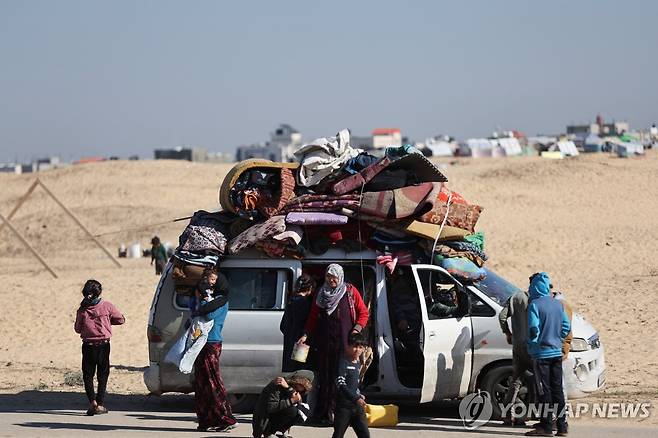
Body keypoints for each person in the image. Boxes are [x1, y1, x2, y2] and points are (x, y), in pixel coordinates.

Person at [297, 264, 369, 424]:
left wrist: (356, 330)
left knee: (341, 378)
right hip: (324, 345)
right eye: (328, 276)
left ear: (340, 277)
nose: (331, 280)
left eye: (334, 276)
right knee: (325, 378)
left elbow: (364, 313)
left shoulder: (350, 292)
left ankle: (339, 414)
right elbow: (313, 317)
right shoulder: (321, 293)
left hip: (345, 344)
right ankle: (324, 414)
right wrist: (306, 334)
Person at [525, 272, 571, 437]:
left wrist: (533, 342)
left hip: (541, 354)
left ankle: (545, 426)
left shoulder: (535, 305)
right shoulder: (558, 304)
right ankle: (562, 426)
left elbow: (533, 328)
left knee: (544, 391)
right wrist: (556, 338)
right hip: (556, 353)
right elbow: (566, 327)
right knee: (557, 389)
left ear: (534, 287)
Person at [192, 271, 237, 432]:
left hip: (212, 343)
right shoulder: (212, 299)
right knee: (201, 383)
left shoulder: (220, 301)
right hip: (202, 342)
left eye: (214, 281)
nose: (210, 284)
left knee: (212, 382)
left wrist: (204, 299)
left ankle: (226, 418)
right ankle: (206, 420)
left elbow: (209, 314)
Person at [74, 279, 125, 416]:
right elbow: (120, 319)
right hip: (103, 345)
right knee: (103, 375)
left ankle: (92, 403)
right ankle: (100, 404)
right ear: (99, 292)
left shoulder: (82, 310)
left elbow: (78, 329)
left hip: (88, 346)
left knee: (88, 375)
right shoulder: (107, 306)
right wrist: (108, 321)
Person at [498, 278, 533, 427]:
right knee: (535, 381)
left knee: (515, 382)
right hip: (533, 347)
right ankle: (528, 415)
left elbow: (502, 316)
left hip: (518, 346)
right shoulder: (539, 300)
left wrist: (508, 333)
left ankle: (507, 416)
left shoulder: (516, 297)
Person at [252, 370, 314, 438]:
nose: (296, 392)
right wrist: (292, 400)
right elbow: (271, 407)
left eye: (299, 391)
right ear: (294, 382)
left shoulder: (289, 388)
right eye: (296, 388)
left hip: (273, 417)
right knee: (292, 410)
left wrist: (289, 389)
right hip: (264, 421)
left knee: (302, 410)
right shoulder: (277, 384)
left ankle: (281, 431)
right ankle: (269, 432)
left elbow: (298, 402)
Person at [332, 332, 370, 438]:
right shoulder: (343, 363)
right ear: (348, 346)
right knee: (338, 434)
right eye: (354, 346)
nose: (357, 350)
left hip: (357, 408)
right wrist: (355, 398)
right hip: (344, 408)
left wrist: (359, 394)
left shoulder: (357, 363)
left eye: (360, 347)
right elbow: (341, 384)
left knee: (365, 434)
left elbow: (354, 384)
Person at [280, 274, 316, 372]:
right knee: (299, 374)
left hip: (289, 343)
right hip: (301, 344)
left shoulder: (291, 301)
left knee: (289, 372)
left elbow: (282, 326)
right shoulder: (305, 303)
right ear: (310, 288)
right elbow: (307, 325)